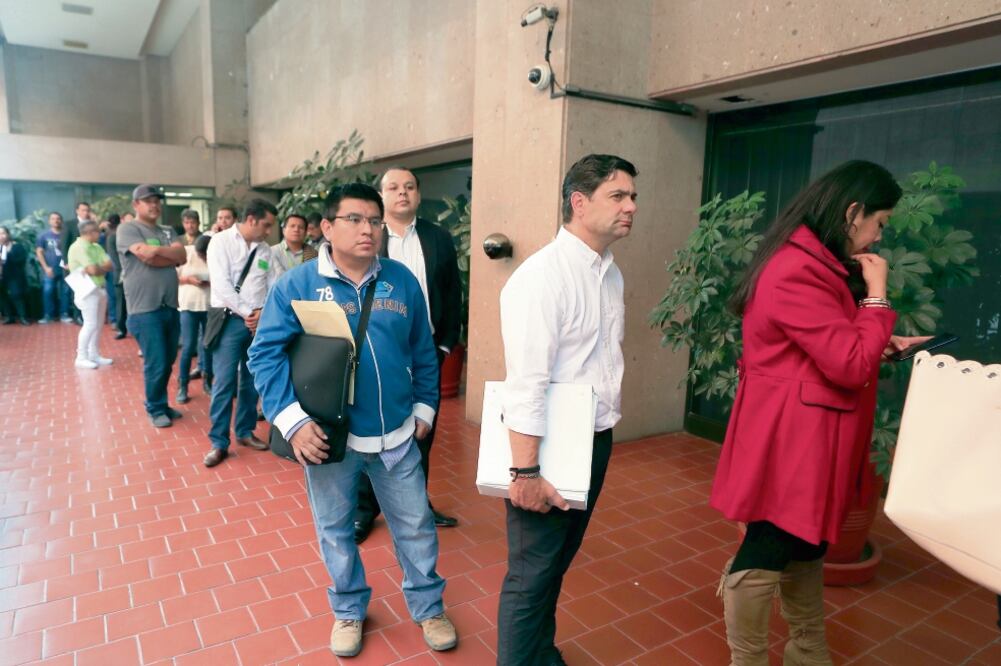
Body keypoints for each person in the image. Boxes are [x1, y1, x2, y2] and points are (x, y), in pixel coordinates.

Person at [710, 160, 931, 665]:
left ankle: (808, 651)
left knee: (808, 540)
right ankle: (750, 660)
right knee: (770, 543)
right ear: (854, 213)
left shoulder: (812, 262)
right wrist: (876, 300)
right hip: (793, 436)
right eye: (879, 223)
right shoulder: (796, 268)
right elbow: (848, 364)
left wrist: (880, 341)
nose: (878, 237)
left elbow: (829, 342)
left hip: (805, 430)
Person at [247, 183, 456, 658]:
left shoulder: (401, 280)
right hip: (329, 439)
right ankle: (348, 608)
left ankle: (428, 606)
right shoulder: (297, 285)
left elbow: (423, 349)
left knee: (416, 525)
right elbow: (264, 356)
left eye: (375, 221)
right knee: (335, 528)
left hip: (398, 435)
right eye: (355, 219)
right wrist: (293, 422)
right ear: (327, 227)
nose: (368, 230)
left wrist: (425, 407)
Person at [496, 154, 637, 666]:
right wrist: (525, 471)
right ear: (579, 203)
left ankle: (540, 655)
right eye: (618, 196)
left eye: (633, 197)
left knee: (556, 563)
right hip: (546, 447)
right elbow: (526, 383)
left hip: (594, 438)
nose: (631, 207)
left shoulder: (610, 275)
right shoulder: (541, 278)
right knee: (531, 574)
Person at [353, 167, 462, 544]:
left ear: (418, 194)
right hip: (378, 353)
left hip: (427, 352)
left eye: (410, 187)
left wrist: (445, 345)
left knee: (422, 431)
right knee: (373, 431)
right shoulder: (367, 238)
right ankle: (365, 510)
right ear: (382, 196)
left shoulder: (438, 238)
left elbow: (452, 294)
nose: (403, 193)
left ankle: (418, 504)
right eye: (394, 188)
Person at [203, 199, 276, 467]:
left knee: (252, 380)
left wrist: (262, 314)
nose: (269, 231)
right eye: (266, 225)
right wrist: (249, 313)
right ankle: (218, 442)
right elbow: (221, 286)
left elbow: (273, 284)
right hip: (231, 320)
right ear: (252, 220)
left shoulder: (265, 251)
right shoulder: (220, 242)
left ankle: (245, 431)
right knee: (224, 382)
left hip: (257, 322)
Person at [117, 184, 187, 428]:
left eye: (157, 201)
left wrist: (158, 251)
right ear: (136, 204)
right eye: (148, 201)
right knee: (156, 361)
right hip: (144, 309)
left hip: (170, 306)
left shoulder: (167, 230)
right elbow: (147, 256)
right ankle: (155, 407)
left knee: (167, 359)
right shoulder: (128, 229)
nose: (154, 205)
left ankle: (162, 403)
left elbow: (183, 257)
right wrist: (167, 254)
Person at [67, 220, 114, 368]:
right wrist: (98, 268)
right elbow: (94, 269)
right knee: (90, 324)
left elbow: (110, 265)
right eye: (97, 232)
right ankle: (81, 357)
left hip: (99, 287)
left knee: (98, 324)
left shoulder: (96, 246)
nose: (100, 234)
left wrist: (96, 268)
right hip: (87, 291)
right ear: (89, 232)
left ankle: (93, 354)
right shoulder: (78, 247)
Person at [177, 234, 212, 404]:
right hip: (188, 306)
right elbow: (173, 276)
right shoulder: (186, 253)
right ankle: (183, 385)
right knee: (188, 347)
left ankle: (207, 381)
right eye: (201, 255)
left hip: (209, 306)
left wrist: (210, 282)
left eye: (205, 255)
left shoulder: (215, 255)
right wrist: (188, 280)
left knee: (208, 345)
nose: (203, 258)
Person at [36, 212, 73, 323]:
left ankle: (64, 314)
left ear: (61, 221)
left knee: (65, 292)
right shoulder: (44, 236)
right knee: (48, 291)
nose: (56, 221)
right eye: (53, 219)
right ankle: (48, 315)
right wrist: (46, 267)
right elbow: (39, 252)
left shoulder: (67, 234)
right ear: (49, 221)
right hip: (50, 269)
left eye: (58, 219)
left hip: (65, 269)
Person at [61, 201, 92, 325]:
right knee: (77, 290)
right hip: (75, 263)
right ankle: (77, 316)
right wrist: (67, 262)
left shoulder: (91, 224)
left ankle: (87, 314)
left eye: (87, 210)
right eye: (83, 210)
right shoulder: (69, 224)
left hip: (89, 262)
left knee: (88, 289)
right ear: (77, 211)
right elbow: (64, 244)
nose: (86, 212)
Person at [104, 214, 128, 339]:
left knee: (121, 303)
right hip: (122, 273)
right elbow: (115, 258)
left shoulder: (113, 235)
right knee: (121, 302)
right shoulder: (114, 236)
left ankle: (122, 329)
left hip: (123, 273)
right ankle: (121, 327)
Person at [272, 212, 318, 277]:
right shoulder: (272, 252)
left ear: (305, 233)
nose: (296, 230)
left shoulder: (314, 254)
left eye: (301, 227)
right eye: (292, 226)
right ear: (284, 230)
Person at [0, 227, 30, 325]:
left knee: (16, 295)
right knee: (2, 296)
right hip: (1, 276)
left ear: (8, 234)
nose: (1, 236)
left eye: (3, 233)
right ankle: (9, 316)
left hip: (14, 276)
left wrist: (8, 254)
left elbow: (22, 260)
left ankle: (23, 317)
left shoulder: (17, 246)